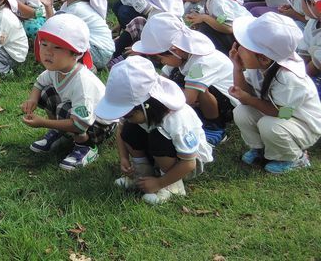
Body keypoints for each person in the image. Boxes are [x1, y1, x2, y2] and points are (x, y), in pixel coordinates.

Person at [95, 55, 214, 205]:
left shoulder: (176, 118)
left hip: (187, 161)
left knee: (158, 137)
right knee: (129, 129)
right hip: (160, 152)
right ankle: (143, 174)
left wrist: (159, 183)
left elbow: (189, 163)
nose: (126, 117)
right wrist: (124, 158)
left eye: (129, 114)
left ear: (146, 105)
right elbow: (121, 130)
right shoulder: (137, 113)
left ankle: (172, 186)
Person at [229, 13, 321, 173]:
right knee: (241, 111)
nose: (237, 49)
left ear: (264, 58)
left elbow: (281, 113)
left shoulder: (289, 78)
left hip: (301, 123)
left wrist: (249, 99)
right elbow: (243, 96)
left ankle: (294, 157)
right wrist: (237, 68)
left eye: (242, 47)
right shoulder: (259, 67)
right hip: (279, 116)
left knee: (269, 125)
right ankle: (260, 148)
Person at [21, 15, 115, 169]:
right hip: (78, 114)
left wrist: (42, 123)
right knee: (46, 92)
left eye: (57, 47)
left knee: (64, 110)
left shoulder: (82, 83)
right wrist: (32, 99)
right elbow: (39, 83)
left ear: (76, 53)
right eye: (44, 44)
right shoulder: (56, 69)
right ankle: (59, 131)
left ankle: (86, 147)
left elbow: (79, 124)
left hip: (99, 125)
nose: (47, 52)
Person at [132, 13, 238, 146]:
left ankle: (215, 128)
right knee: (175, 80)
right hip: (198, 93)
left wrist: (165, 99)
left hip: (226, 103)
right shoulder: (183, 54)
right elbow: (160, 80)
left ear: (175, 50)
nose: (160, 63)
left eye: (157, 59)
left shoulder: (202, 62)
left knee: (198, 90)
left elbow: (188, 99)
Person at [38, 0, 114, 69]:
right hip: (101, 50)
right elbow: (53, 28)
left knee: (63, 46)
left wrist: (48, 7)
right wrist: (48, 6)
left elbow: (54, 31)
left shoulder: (77, 8)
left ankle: (85, 67)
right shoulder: (70, 5)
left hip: (99, 52)